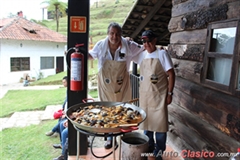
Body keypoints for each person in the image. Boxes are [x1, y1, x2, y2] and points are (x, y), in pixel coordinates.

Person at [88, 22, 144, 149]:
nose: (114, 36)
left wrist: (159, 49)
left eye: (118, 34)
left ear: (121, 35)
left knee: (123, 111)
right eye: (112, 33)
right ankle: (110, 139)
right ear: (108, 34)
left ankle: (124, 138)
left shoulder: (129, 45)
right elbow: (91, 55)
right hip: (106, 86)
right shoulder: (101, 45)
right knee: (106, 112)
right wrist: (78, 53)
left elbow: (144, 48)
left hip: (122, 86)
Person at [133, 30, 175, 160]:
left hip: (159, 97)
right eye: (144, 42)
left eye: (149, 41)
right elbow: (129, 50)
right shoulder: (141, 55)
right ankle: (149, 147)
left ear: (155, 40)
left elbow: (171, 74)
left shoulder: (162, 54)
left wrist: (169, 93)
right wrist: (128, 40)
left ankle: (159, 152)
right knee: (147, 126)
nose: (146, 44)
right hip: (146, 97)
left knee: (160, 127)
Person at [45, 76, 68, 144]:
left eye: (64, 82)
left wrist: (66, 114)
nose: (63, 84)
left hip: (68, 113)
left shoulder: (70, 91)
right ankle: (56, 132)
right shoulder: (67, 90)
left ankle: (53, 131)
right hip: (65, 111)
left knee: (61, 122)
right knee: (60, 119)